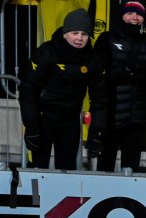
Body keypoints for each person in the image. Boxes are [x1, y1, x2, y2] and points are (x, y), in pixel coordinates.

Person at [19, 9, 107, 170]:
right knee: (37, 169)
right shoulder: (46, 52)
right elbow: (28, 91)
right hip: (42, 120)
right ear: (65, 33)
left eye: (84, 34)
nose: (79, 38)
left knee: (67, 171)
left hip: (70, 121)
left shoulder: (93, 60)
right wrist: (31, 125)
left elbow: (100, 98)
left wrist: (97, 132)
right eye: (75, 33)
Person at [93, 1, 146, 173]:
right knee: (105, 167)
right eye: (130, 13)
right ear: (121, 15)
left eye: (138, 14)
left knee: (131, 169)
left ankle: (128, 201)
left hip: (136, 117)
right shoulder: (107, 38)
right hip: (111, 116)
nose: (134, 17)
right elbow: (98, 70)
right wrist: (125, 72)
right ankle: (104, 200)